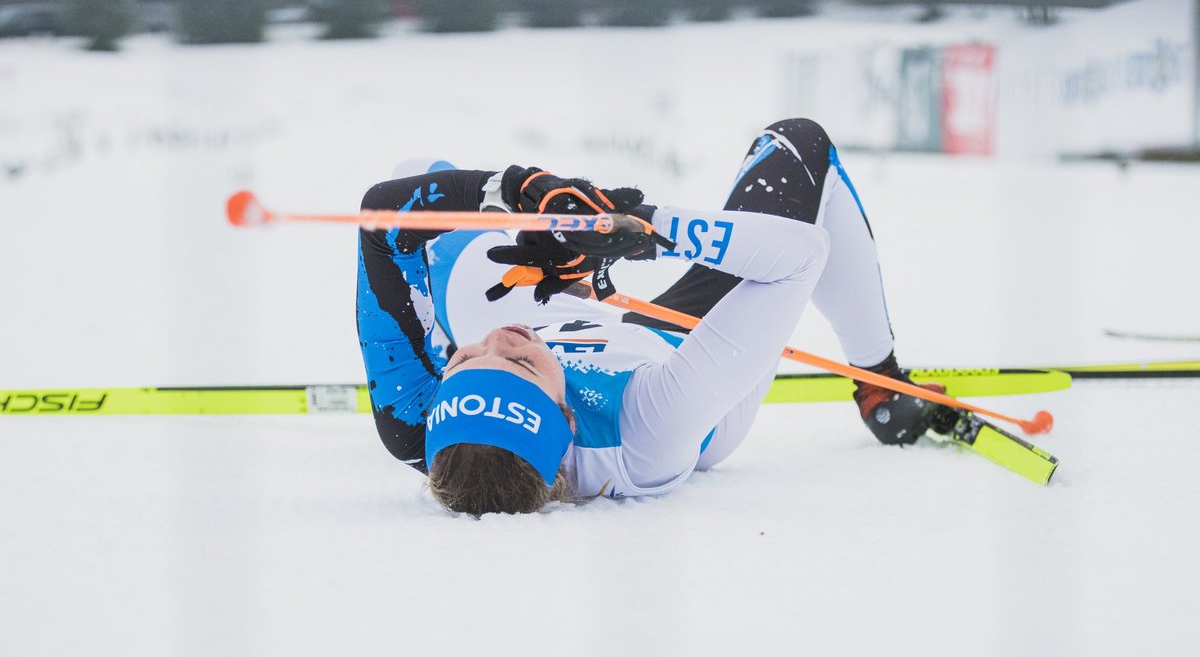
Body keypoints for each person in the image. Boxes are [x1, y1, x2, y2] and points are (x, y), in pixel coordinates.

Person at [356, 118, 949, 516]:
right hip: (674, 344)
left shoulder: (414, 427)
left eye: (461, 358)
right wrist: (642, 227)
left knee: (422, 182)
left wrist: (523, 194)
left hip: (567, 316)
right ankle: (881, 388)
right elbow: (798, 259)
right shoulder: (650, 428)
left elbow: (382, 216)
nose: (497, 341)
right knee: (798, 143)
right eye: (520, 362)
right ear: (565, 414)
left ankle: (553, 300)